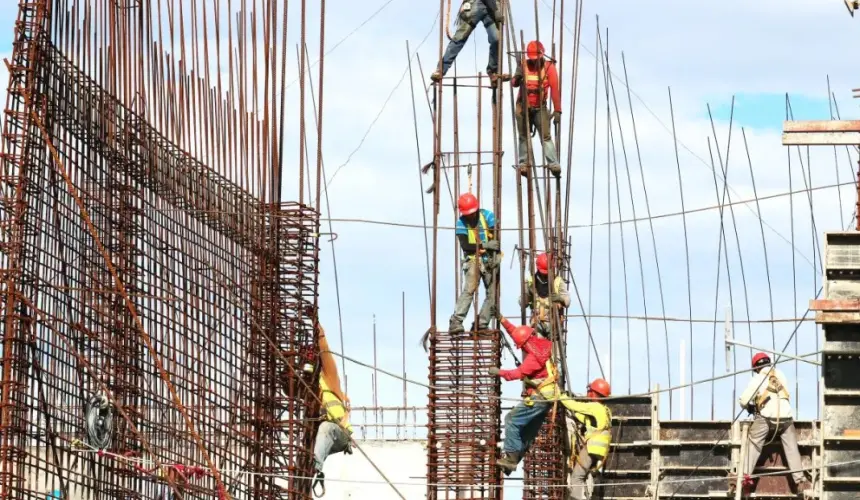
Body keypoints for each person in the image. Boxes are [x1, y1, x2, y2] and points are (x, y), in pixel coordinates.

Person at [732, 352, 811, 495]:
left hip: (766, 419)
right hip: (786, 419)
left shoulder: (758, 378)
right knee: (792, 449)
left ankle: (744, 478)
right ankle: (800, 482)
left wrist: (750, 407)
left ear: (756, 368)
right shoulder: (781, 375)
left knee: (753, 444)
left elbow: (743, 400)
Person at [489, 315, 558, 474]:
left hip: (539, 397)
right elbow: (518, 333)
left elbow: (517, 374)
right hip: (547, 398)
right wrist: (502, 320)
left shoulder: (534, 358)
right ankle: (513, 461)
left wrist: (498, 372)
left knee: (511, 420)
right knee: (527, 432)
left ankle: (511, 459)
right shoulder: (542, 344)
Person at [312, 326, 354, 497]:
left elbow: (325, 352)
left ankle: (315, 465)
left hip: (340, 433)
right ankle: (312, 464)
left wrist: (319, 332)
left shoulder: (328, 379)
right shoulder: (307, 390)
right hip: (323, 439)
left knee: (326, 428)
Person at [450, 192, 500, 333]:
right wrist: (485, 246)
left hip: (489, 261)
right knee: (469, 290)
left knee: (493, 294)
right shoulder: (461, 223)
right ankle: (456, 321)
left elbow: (496, 237)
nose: (470, 216)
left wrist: (493, 250)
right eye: (468, 214)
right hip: (473, 260)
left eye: (472, 213)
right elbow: (465, 246)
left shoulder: (488, 216)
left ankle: (481, 324)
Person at [511, 40, 561, 177]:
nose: (534, 62)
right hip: (523, 106)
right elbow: (514, 84)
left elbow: (555, 89)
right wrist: (517, 75)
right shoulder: (523, 65)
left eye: (536, 59)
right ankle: (523, 164)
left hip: (540, 107)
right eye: (532, 59)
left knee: (545, 136)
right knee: (523, 136)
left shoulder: (549, 68)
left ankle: (553, 163)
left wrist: (557, 110)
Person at [430, 0, 505, 83]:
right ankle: (441, 70)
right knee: (460, 37)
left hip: (493, 4)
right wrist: (495, 11)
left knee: (497, 39)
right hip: (476, 4)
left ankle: (493, 71)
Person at [563, 379, 613, 500]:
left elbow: (574, 405)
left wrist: (561, 396)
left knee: (577, 477)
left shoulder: (594, 406)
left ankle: (575, 498)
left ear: (594, 393)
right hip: (601, 452)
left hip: (592, 447)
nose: (588, 393)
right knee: (587, 476)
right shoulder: (606, 410)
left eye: (590, 390)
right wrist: (573, 415)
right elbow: (588, 420)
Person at [519, 252, 570, 339]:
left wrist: (560, 298)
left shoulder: (558, 280)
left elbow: (567, 301)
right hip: (537, 321)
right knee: (539, 346)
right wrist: (528, 294)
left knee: (553, 350)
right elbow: (522, 303)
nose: (545, 275)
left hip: (553, 321)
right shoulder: (531, 281)